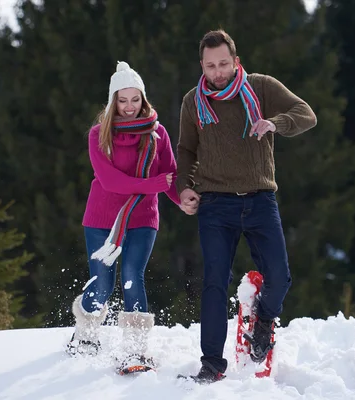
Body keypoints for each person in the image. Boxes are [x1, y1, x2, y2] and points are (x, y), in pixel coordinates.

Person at [176, 29, 317, 383]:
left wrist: (275, 123)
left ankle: (263, 321)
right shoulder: (193, 101)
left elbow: (306, 114)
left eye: (224, 63)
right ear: (202, 66)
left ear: (235, 61)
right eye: (211, 66)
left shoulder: (261, 87)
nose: (218, 71)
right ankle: (211, 365)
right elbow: (186, 150)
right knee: (213, 283)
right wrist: (184, 188)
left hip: (259, 200)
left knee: (280, 277)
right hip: (215, 205)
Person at [68, 61, 181, 371]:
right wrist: (153, 185)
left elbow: (169, 172)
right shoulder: (98, 135)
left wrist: (182, 199)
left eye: (135, 99)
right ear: (112, 100)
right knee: (102, 285)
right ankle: (86, 333)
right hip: (102, 218)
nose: (129, 107)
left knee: (132, 276)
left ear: (143, 99)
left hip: (143, 216)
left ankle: (135, 350)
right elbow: (110, 181)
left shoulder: (157, 133)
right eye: (122, 100)